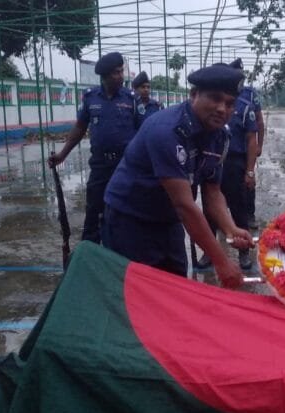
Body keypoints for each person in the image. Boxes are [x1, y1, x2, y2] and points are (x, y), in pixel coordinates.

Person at [101, 64, 252, 288]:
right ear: (193, 95)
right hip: (130, 220)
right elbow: (185, 205)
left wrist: (230, 228)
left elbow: (212, 191)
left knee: (174, 289)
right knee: (134, 294)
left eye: (230, 104)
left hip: (168, 220)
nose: (222, 109)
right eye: (215, 98)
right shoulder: (167, 131)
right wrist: (222, 262)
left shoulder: (220, 136)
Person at [48, 52, 137, 243]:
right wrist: (63, 154)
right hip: (100, 164)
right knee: (94, 209)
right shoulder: (91, 98)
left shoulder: (131, 98)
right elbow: (80, 127)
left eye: (121, 71)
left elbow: (143, 132)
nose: (121, 76)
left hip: (125, 165)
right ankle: (89, 252)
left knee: (126, 210)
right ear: (104, 76)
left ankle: (124, 253)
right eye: (116, 72)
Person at [195, 60, 260, 270]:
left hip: (233, 163)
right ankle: (209, 251)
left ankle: (243, 253)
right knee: (209, 209)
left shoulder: (242, 106)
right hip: (210, 162)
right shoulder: (207, 106)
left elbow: (252, 138)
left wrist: (250, 170)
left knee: (238, 209)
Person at [229, 58, 265, 229]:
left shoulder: (249, 94)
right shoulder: (224, 92)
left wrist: (259, 145)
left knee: (247, 184)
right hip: (226, 150)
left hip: (243, 149)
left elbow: (259, 122)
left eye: (241, 75)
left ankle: (249, 215)